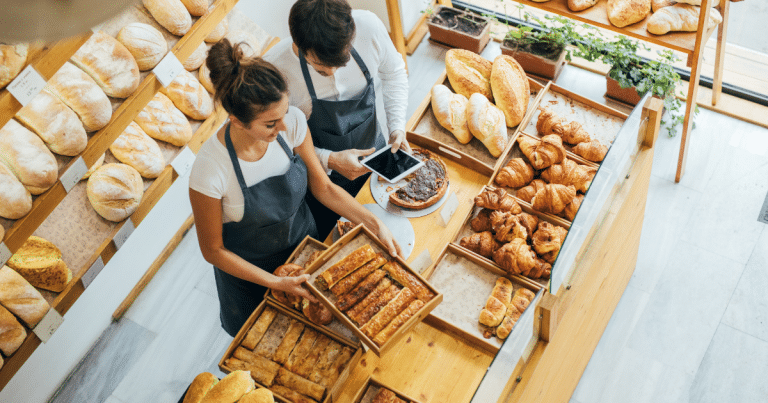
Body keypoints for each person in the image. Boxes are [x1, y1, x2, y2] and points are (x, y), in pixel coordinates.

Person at [189, 39, 401, 337]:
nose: (284, 128)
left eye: (285, 113)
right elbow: (213, 250)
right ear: (236, 121)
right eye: (270, 124)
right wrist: (275, 283)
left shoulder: (293, 123)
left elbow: (324, 188)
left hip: (306, 254)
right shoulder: (210, 170)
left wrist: (374, 224)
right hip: (252, 280)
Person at [263, 0, 410, 237]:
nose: (333, 73)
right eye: (321, 68)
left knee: (393, 226)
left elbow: (394, 74)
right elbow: (274, 142)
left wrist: (397, 127)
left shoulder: (369, 27)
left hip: (377, 161)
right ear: (298, 46)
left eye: (342, 62)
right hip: (322, 184)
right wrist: (328, 159)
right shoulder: (275, 70)